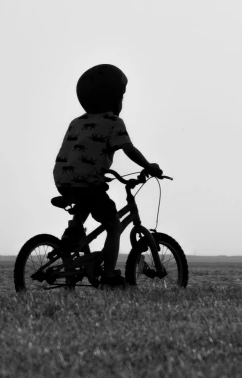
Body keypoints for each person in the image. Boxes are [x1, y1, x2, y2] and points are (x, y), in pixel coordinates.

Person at [53, 64, 164, 286]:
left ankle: (70, 237)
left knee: (83, 203)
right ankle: (110, 274)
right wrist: (149, 166)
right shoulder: (114, 122)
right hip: (88, 183)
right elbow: (129, 149)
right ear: (114, 97)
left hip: (63, 181)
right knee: (113, 224)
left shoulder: (76, 122)